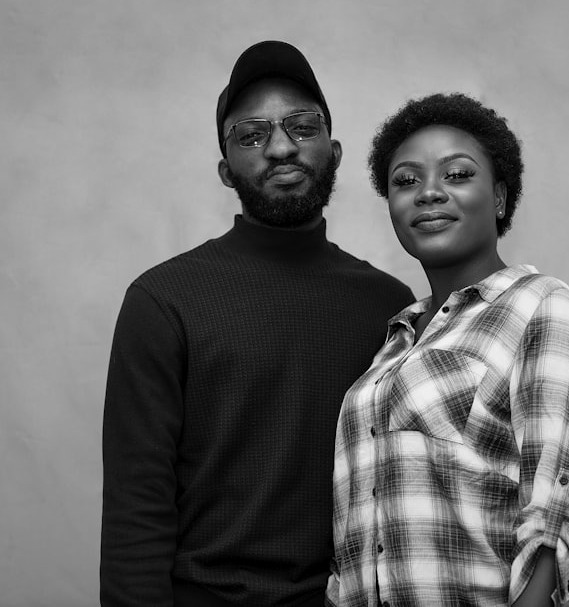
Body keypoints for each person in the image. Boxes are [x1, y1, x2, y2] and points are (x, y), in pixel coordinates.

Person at [100, 41, 415, 607]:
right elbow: (137, 506)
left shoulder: (389, 308)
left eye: (301, 126)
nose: (279, 148)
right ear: (225, 171)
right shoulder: (163, 300)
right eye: (251, 134)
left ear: (334, 151)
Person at [327, 93, 569, 606]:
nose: (429, 193)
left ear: (500, 197)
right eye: (406, 181)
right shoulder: (394, 342)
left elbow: (554, 521)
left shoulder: (542, 307)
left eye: (457, 175)